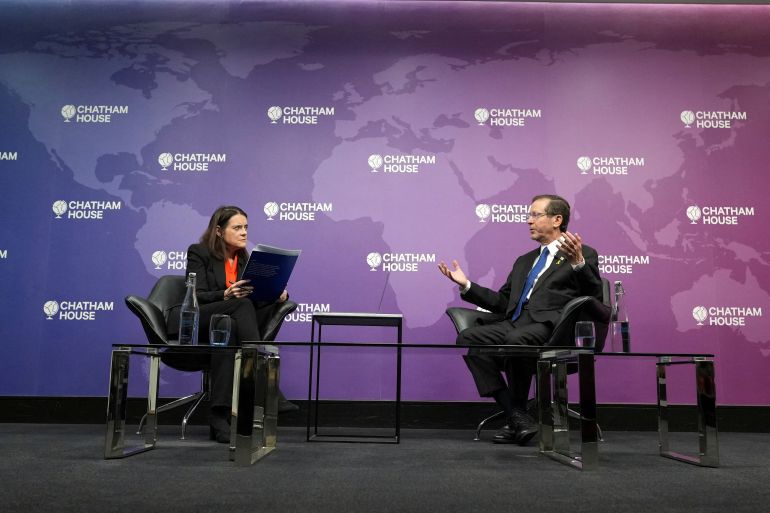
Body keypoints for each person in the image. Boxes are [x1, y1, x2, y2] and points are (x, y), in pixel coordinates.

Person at [438, 194, 602, 445]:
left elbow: (594, 297)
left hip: (552, 328)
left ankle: (516, 418)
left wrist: (578, 264)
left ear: (557, 219)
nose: (529, 221)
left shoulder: (583, 255)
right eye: (529, 215)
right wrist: (467, 285)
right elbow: (503, 303)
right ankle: (517, 416)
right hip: (514, 323)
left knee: (517, 340)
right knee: (469, 339)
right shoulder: (524, 261)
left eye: (535, 215)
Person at [169, 205, 297, 443]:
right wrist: (226, 295)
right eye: (237, 227)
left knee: (230, 327)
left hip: (227, 322)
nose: (244, 233)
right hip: (197, 317)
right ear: (219, 231)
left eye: (246, 227)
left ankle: (220, 417)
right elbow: (195, 294)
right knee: (239, 307)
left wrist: (278, 294)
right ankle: (264, 380)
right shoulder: (199, 252)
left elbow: (251, 298)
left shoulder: (244, 258)